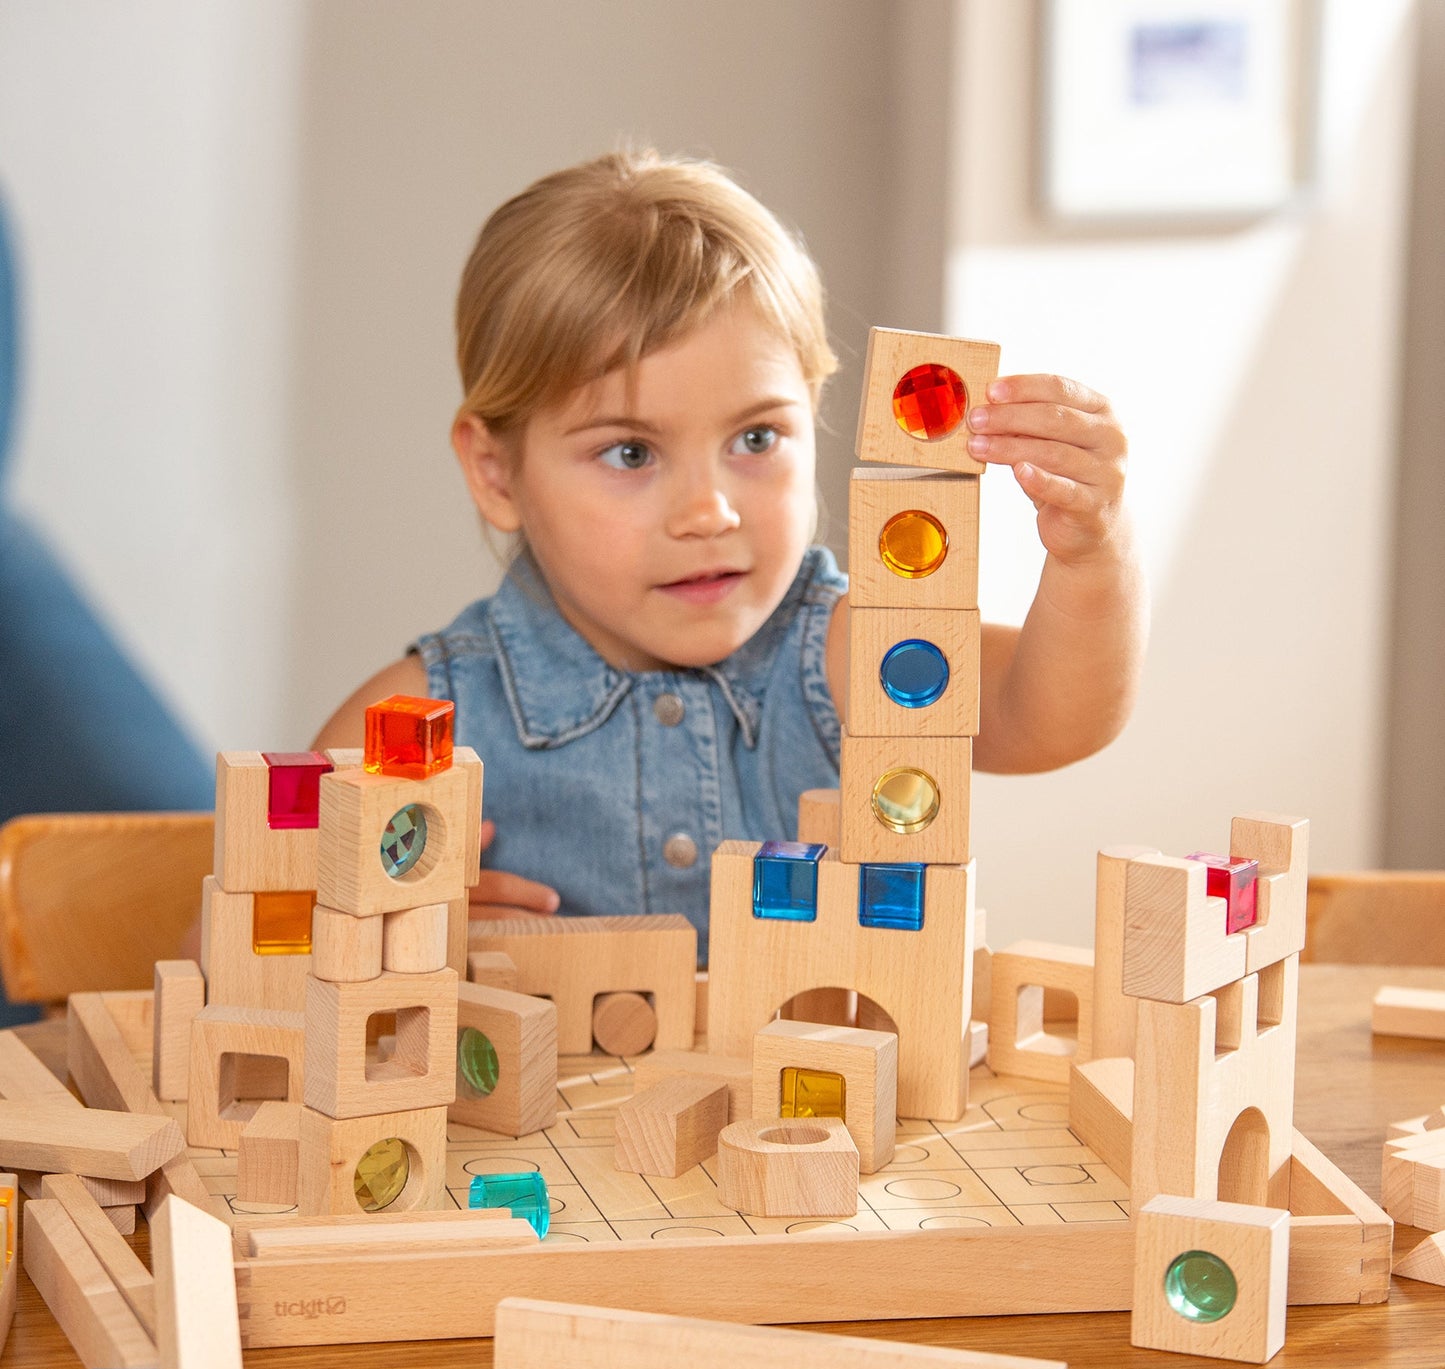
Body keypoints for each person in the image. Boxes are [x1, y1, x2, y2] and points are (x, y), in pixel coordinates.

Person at [313, 151, 1146, 959]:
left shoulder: (848, 650)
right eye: (630, 454)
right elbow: (233, 950)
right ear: (496, 473)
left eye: (756, 437)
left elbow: (1047, 718)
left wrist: (1091, 554)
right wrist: (385, 926)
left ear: (811, 415)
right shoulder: (415, 722)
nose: (709, 512)